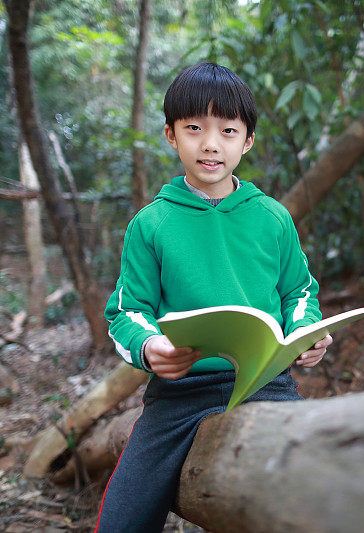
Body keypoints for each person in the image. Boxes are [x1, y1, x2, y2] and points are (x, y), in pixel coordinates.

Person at [95, 62, 333, 532]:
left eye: (227, 130)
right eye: (193, 128)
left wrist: (307, 332)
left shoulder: (272, 217)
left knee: (315, 489)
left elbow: (300, 292)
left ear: (246, 141)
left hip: (267, 382)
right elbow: (125, 312)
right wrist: (150, 348)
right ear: (170, 135)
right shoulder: (152, 224)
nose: (210, 143)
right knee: (122, 518)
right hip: (180, 392)